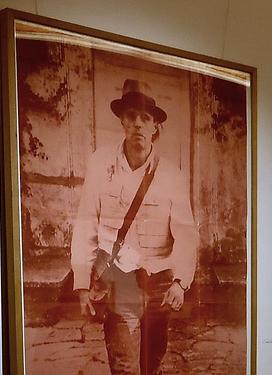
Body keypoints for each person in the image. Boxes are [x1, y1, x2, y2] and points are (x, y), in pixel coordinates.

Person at [71, 79, 199, 374]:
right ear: (122, 121)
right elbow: (86, 221)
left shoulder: (172, 175)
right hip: (119, 282)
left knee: (151, 364)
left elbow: (186, 233)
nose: (138, 124)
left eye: (145, 118)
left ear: (155, 126)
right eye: (131, 117)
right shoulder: (101, 164)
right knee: (125, 366)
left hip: (159, 284)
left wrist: (181, 282)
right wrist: (81, 283)